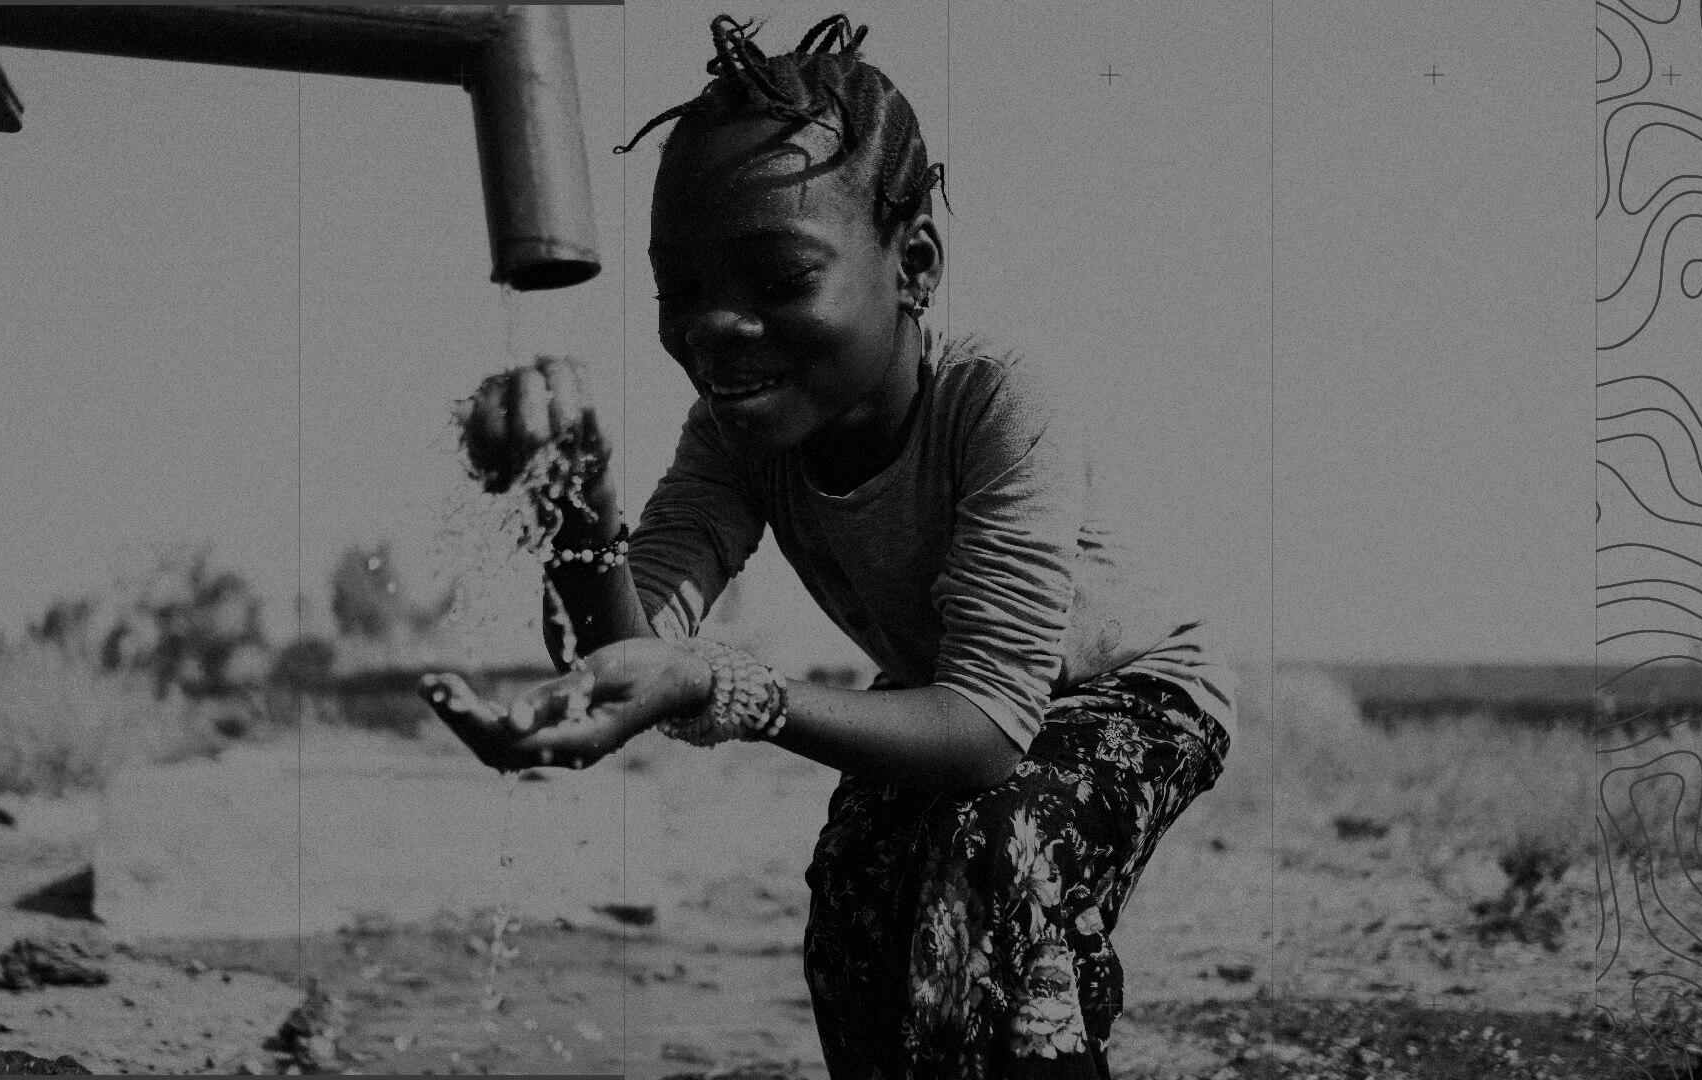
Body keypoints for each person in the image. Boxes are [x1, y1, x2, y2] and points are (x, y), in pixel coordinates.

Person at [424, 14, 1234, 1077]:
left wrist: (733, 690)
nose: (715, 326)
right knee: (853, 896)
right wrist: (576, 510)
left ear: (916, 265)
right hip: (943, 697)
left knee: (995, 864)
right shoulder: (735, 437)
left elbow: (987, 731)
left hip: (1131, 696)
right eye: (684, 290)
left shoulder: (999, 401)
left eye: (778, 280)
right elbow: (626, 645)